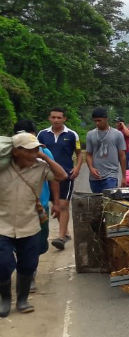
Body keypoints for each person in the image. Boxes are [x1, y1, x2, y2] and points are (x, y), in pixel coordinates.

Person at [0, 133, 67, 317]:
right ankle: (5, 299)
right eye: (31, 150)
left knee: (28, 264)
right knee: (3, 264)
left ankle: (22, 299)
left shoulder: (41, 167)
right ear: (16, 152)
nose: (35, 153)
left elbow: (61, 175)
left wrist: (44, 156)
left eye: (37, 149)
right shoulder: (2, 169)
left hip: (30, 224)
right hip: (3, 225)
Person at [14, 120, 61, 291]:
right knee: (20, 243)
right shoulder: (8, 157)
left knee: (38, 244)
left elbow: (55, 178)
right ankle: (28, 275)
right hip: (16, 209)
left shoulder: (44, 152)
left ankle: (28, 271)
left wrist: (56, 202)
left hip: (40, 207)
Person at [37, 107, 83, 250]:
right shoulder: (42, 134)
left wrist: (77, 168)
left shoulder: (72, 135)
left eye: (59, 117)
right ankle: (66, 232)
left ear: (64, 119)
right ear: (49, 118)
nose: (56, 120)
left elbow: (79, 153)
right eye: (53, 117)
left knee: (63, 205)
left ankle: (61, 237)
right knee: (54, 204)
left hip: (66, 175)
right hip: (47, 175)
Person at [85, 107, 127, 193]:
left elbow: (122, 156)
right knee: (97, 202)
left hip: (111, 175)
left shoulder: (117, 134)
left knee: (108, 201)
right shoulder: (90, 134)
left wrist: (124, 177)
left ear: (106, 119)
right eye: (95, 121)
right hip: (95, 176)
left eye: (99, 120)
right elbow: (88, 154)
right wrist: (91, 168)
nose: (97, 123)